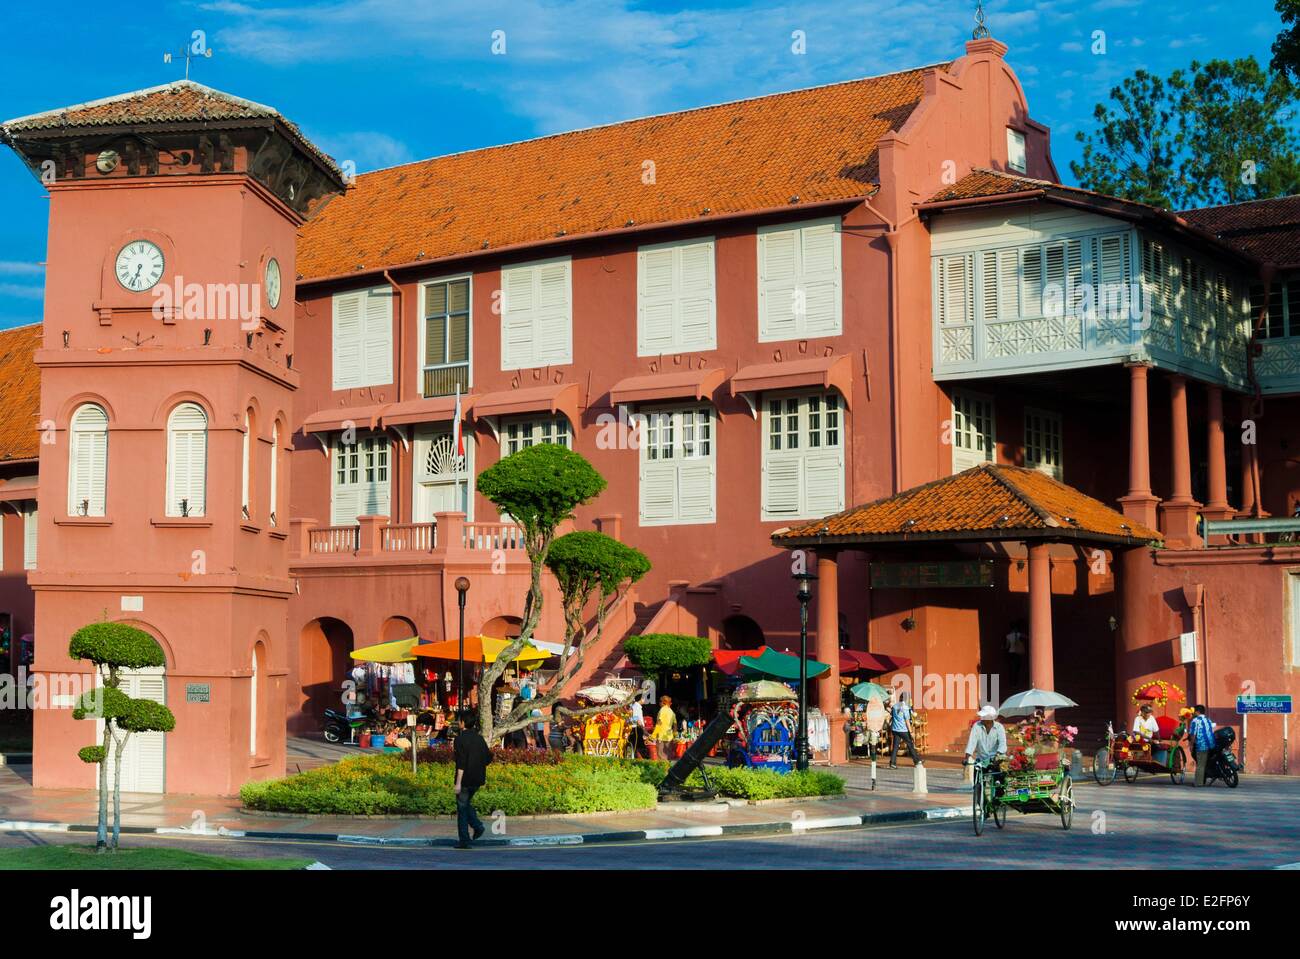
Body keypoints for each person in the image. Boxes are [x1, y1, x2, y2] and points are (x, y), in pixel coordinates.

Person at [453, 712, 493, 849]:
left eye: (459, 720)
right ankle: (477, 826)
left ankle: (465, 839)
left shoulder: (459, 739)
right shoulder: (479, 739)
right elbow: (488, 758)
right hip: (478, 778)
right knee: (465, 804)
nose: (458, 723)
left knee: (462, 809)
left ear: (463, 723)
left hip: (465, 779)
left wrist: (458, 783)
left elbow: (461, 763)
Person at [964, 704, 1008, 768]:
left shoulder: (999, 727)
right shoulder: (976, 726)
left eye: (983, 716)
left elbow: (1002, 743)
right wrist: (967, 757)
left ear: (990, 718)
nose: (981, 718)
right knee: (976, 775)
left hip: (997, 759)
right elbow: (972, 742)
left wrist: (997, 756)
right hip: (981, 759)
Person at [888, 691, 921, 768]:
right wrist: (911, 731)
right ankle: (917, 761)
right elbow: (907, 721)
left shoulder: (895, 706)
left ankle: (892, 763)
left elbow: (892, 715)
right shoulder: (905, 707)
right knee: (910, 745)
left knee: (895, 747)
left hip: (895, 729)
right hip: (903, 730)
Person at [1188, 704, 1216, 787]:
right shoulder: (1208, 720)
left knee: (1200, 765)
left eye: (1194, 712)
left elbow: (1193, 735)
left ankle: (1198, 783)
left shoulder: (1195, 720)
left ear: (1197, 712)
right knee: (1205, 763)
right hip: (1211, 745)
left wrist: (1191, 745)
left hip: (1201, 745)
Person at [652, 695, 677, 761]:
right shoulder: (672, 712)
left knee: (661, 757)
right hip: (669, 737)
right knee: (668, 757)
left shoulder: (662, 710)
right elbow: (675, 725)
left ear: (664, 703)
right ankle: (668, 770)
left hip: (661, 737)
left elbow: (659, 723)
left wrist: (653, 735)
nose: (659, 703)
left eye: (660, 701)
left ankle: (663, 770)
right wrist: (675, 736)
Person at [1005, 620, 1027, 688]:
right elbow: (1028, 637)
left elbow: (1007, 646)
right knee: (1017, 669)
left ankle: (1012, 684)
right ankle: (1015, 684)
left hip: (1010, 654)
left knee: (1011, 669)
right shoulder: (1018, 634)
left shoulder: (1008, 636)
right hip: (1017, 653)